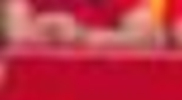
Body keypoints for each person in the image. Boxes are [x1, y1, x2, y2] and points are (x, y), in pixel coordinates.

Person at [2, 0, 161, 49]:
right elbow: (16, 35)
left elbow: (148, 36)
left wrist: (82, 36)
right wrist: (44, 31)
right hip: (37, 90)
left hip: (102, 87)